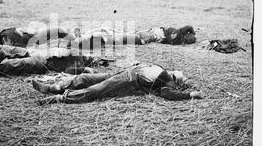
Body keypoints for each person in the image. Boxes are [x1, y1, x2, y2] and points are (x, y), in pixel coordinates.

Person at [32, 62, 202, 104]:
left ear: (176, 80)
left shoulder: (167, 81)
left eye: (179, 76)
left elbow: (168, 94)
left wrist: (190, 94)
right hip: (124, 72)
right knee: (86, 78)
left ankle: (60, 98)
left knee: (95, 90)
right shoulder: (163, 70)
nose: (177, 73)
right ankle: (53, 87)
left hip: (128, 81)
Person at [0, 45, 95, 78]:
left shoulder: (79, 64)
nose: (88, 54)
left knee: (12, 64)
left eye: (90, 56)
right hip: (34, 52)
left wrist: (87, 68)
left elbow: (80, 73)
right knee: (4, 49)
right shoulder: (72, 47)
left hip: (41, 63)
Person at [0, 26, 74, 48]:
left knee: (57, 32)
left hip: (32, 37)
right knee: (57, 31)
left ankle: (75, 40)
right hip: (33, 40)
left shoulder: (4, 34)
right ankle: (76, 41)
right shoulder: (4, 38)